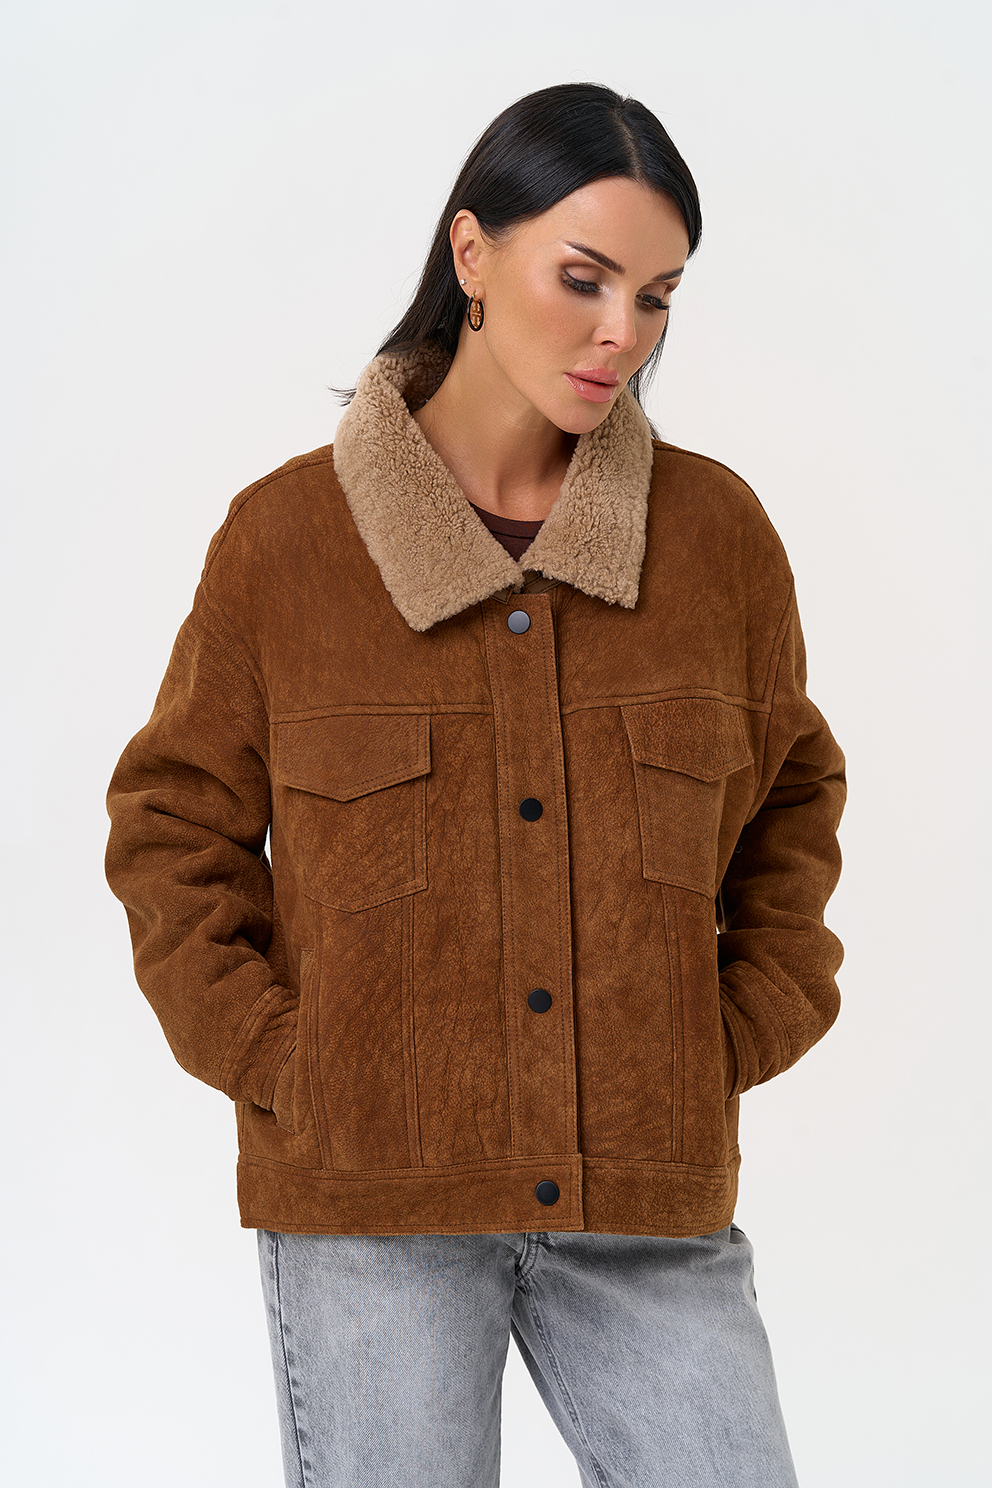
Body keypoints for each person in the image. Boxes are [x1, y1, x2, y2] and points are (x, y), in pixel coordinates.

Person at [105, 81, 846, 1488]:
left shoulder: (715, 539)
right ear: (472, 256)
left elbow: (793, 797)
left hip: (648, 1199)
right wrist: (286, 1064)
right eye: (585, 278)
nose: (624, 332)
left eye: (659, 296)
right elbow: (170, 826)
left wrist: (737, 1024)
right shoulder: (287, 543)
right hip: (371, 1212)